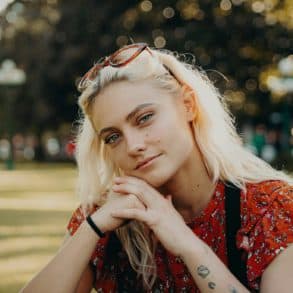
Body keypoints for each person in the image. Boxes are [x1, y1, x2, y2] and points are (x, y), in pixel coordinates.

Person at [21, 43, 293, 293]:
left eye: (144, 118)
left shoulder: (268, 208)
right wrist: (92, 227)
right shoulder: (108, 216)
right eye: (113, 137)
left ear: (188, 105)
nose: (133, 146)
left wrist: (188, 245)